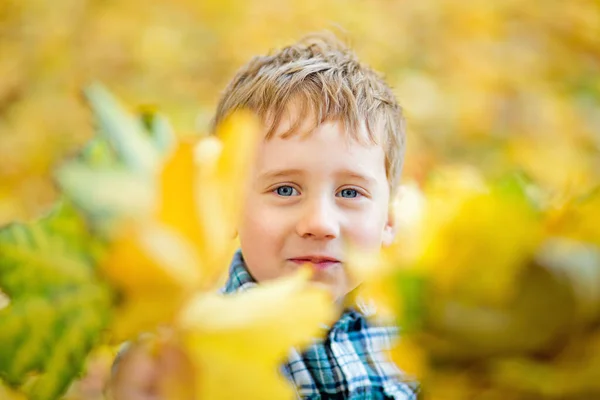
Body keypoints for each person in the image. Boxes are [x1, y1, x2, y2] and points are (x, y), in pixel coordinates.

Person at [109, 32, 418, 399]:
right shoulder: (191, 341)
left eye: (349, 193)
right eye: (285, 190)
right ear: (226, 207)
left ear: (389, 221)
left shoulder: (415, 334)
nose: (319, 223)